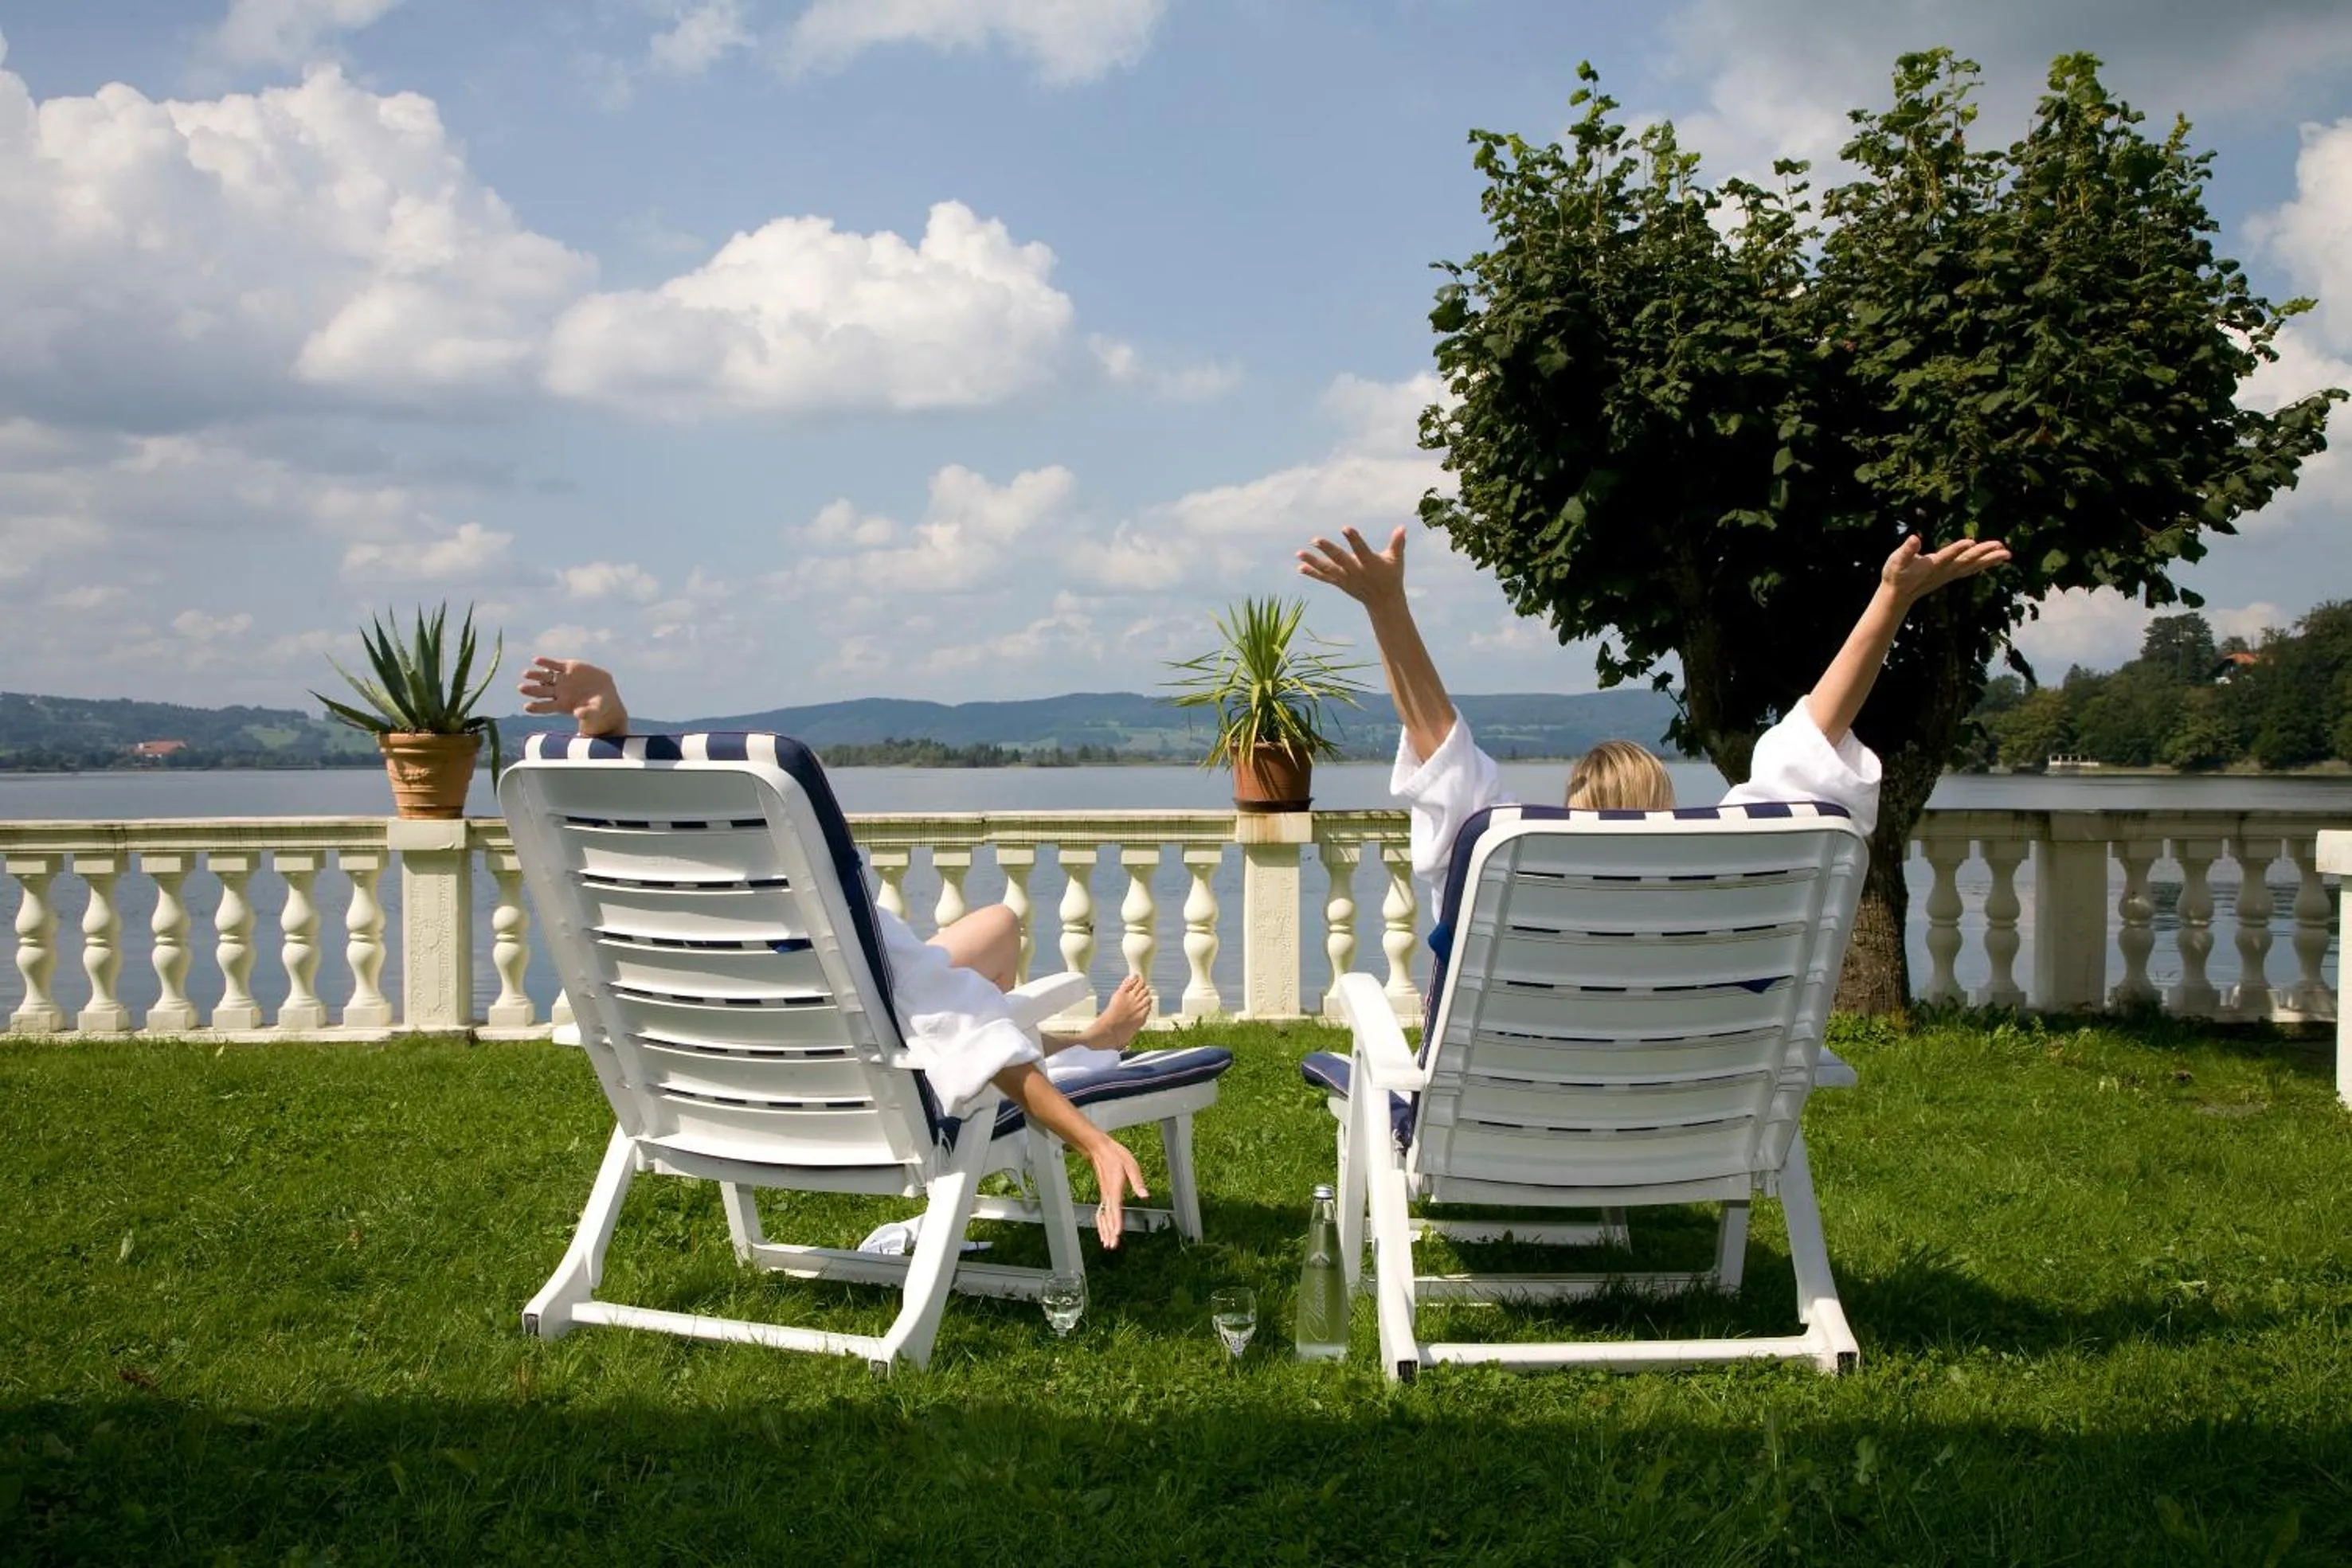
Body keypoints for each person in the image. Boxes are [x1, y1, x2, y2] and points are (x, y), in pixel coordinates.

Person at [515, 657, 1157, 1247]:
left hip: (720, 1069)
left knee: (993, 925)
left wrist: (615, 724)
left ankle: (1083, 1038)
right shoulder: (838, 926)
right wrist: (1092, 1141)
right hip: (859, 1059)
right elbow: (972, 1038)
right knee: (965, 1011)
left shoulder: (669, 908)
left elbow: (625, 819)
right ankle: (1087, 1046)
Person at [1297, 526, 2012, 907]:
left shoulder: (1501, 867)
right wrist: (1891, 601)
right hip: (1691, 1114)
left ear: (1574, 810)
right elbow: (1810, 747)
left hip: (1511, 1110)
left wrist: (1385, 608)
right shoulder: (1735, 874)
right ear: (1667, 812)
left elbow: (1441, 751)